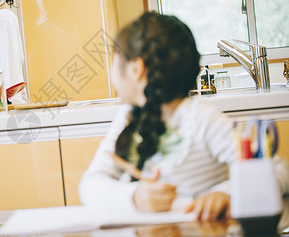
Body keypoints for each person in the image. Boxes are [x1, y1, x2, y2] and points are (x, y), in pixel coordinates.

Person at [79, 12, 289, 221]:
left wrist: (225, 192)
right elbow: (89, 186)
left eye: (114, 59)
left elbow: (279, 170)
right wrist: (133, 197)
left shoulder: (200, 118)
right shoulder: (127, 118)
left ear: (136, 69)